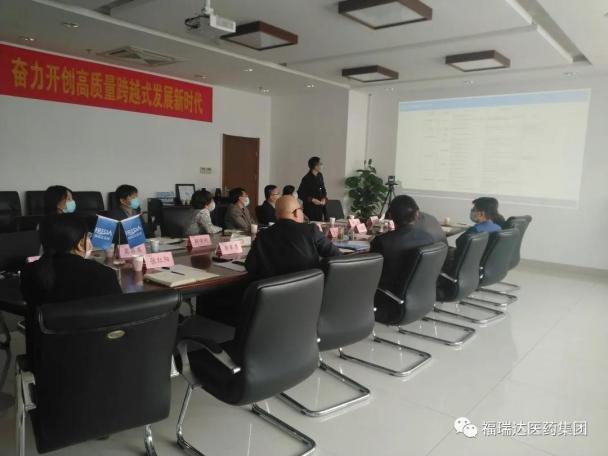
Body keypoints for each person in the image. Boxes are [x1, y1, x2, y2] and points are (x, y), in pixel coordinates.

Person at [21, 214, 122, 307]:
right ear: (80, 244)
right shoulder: (104, 274)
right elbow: (118, 311)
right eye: (88, 237)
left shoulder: (29, 271)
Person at [245, 195, 340, 280]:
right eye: (301, 210)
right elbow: (336, 255)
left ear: (276, 215)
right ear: (296, 212)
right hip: (309, 290)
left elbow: (250, 266)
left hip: (272, 292)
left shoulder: (263, 235)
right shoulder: (311, 230)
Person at [370, 195, 434, 294]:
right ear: (417, 214)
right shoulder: (428, 238)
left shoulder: (382, 242)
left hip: (386, 295)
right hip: (419, 293)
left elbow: (371, 272)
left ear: (390, 216)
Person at [443, 197, 503, 272]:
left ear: (481, 214)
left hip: (462, 264)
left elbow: (459, 242)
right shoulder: (498, 228)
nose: (471, 212)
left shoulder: (475, 230)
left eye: (473, 210)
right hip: (479, 262)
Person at [297, 156, 327, 221]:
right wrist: (312, 199)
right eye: (320, 164)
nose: (322, 165)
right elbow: (300, 194)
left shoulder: (320, 175)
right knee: (312, 225)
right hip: (310, 209)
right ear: (315, 166)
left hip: (320, 207)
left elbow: (323, 189)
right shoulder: (306, 178)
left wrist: (323, 198)